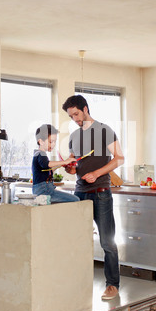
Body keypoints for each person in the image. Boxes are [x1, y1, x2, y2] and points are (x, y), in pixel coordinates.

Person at [62, 95, 125, 300]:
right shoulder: (73, 136)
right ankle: (77, 283)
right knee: (77, 240)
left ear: (85, 109)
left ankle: (112, 285)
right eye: (71, 116)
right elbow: (75, 168)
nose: (75, 119)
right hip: (79, 193)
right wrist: (71, 168)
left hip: (101, 193)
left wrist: (97, 174)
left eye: (76, 114)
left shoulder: (105, 131)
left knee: (107, 242)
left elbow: (120, 159)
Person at [32, 124, 79, 203]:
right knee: (75, 200)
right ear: (40, 141)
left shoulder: (38, 154)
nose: (53, 144)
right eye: (51, 142)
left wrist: (60, 165)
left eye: (55, 142)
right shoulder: (41, 154)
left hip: (43, 190)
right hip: (45, 192)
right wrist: (65, 161)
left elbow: (46, 169)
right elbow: (46, 164)